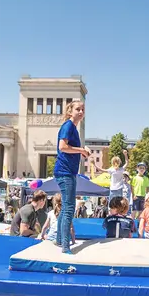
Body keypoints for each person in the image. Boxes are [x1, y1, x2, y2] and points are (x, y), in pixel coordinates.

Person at [53, 100, 93, 254]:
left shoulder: (73, 128)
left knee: (66, 207)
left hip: (67, 171)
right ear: (70, 111)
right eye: (78, 109)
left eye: (83, 109)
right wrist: (81, 150)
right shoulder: (68, 126)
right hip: (65, 172)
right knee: (69, 207)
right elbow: (62, 147)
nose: (81, 112)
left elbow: (69, 148)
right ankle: (65, 246)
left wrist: (81, 151)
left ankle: (59, 240)